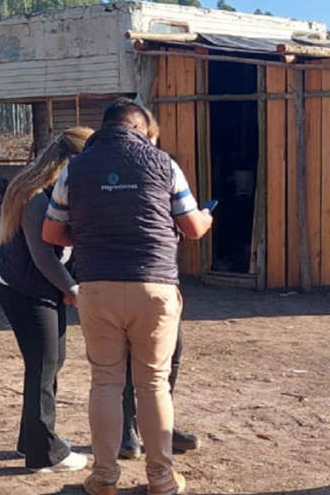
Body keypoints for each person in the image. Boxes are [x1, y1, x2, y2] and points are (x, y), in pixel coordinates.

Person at [43, 98, 213, 495]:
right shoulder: (163, 163)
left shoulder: (75, 168)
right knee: (152, 382)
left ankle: (104, 477)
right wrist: (206, 217)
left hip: (98, 286)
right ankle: (161, 479)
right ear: (142, 129)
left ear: (105, 128)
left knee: (104, 382)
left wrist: (87, 240)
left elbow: (51, 234)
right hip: (154, 286)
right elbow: (191, 227)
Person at [0, 127, 92, 474]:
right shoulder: (35, 196)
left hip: (39, 288)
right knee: (43, 366)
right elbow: (43, 257)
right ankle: (43, 453)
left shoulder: (51, 189)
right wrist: (73, 288)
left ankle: (32, 439)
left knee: (52, 360)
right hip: (27, 290)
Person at [120, 119, 198, 461]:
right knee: (128, 361)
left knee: (171, 352)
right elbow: (193, 226)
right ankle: (130, 431)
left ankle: (156, 426)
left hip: (147, 277)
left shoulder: (154, 172)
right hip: (144, 278)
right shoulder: (161, 166)